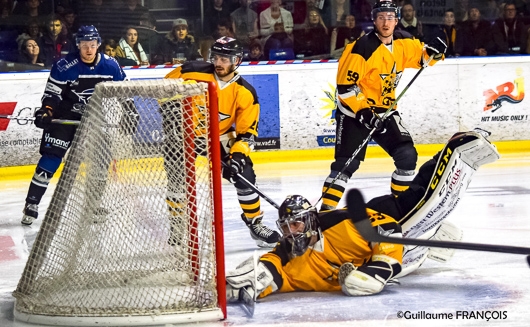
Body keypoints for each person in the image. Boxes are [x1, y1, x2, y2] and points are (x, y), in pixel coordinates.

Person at [226, 130, 500, 300]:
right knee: (414, 253)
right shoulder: (293, 262)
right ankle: (434, 241)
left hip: (380, 214)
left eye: (295, 224)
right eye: (285, 227)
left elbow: (389, 229)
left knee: (424, 199)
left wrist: (378, 269)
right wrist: (255, 282)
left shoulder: (336, 224)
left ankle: (452, 148)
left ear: (310, 221)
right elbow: (276, 266)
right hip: (397, 253)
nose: (291, 232)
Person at [319, 0, 447, 211]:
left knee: (407, 156)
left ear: (396, 20)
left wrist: (437, 51)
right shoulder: (360, 49)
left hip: (385, 111)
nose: (385, 22)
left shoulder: (404, 42)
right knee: (345, 166)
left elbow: (424, 58)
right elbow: (345, 88)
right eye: (381, 17)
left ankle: (400, 207)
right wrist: (363, 112)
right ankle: (325, 212)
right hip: (354, 113)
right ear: (374, 19)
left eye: (390, 18)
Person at [164, 37, 281, 247]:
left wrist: (237, 156)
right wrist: (171, 112)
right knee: (176, 177)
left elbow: (246, 135)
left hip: (220, 136)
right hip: (184, 134)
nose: (219, 63)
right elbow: (162, 90)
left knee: (244, 174)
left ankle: (254, 223)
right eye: (216, 57)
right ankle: (177, 225)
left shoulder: (245, 92)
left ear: (236, 61)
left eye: (225, 59)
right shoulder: (190, 71)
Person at [21, 25, 126, 226]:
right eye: (84, 45)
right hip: (65, 117)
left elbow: (124, 91)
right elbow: (51, 95)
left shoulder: (111, 65)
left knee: (100, 162)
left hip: (95, 117)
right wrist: (47, 110)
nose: (88, 49)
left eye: (92, 45)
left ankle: (93, 205)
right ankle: (31, 204)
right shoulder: (64, 66)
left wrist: (130, 110)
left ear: (98, 45)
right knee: (51, 158)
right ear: (78, 45)